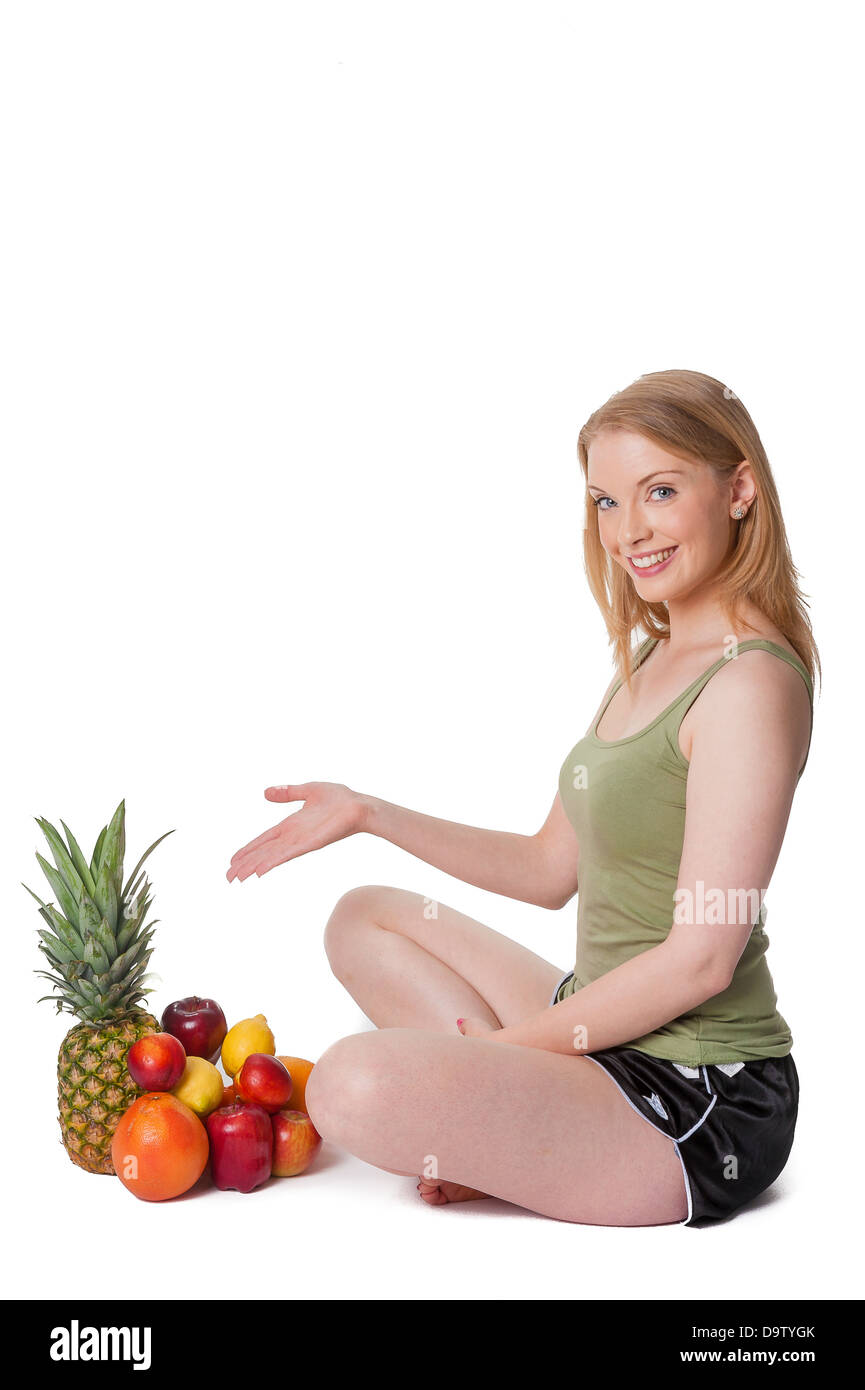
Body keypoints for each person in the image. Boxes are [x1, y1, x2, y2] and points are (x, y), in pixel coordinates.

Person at [226, 369, 819, 1227]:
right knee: (365, 915)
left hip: (697, 1095)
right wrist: (369, 814)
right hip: (601, 1024)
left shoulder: (749, 685)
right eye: (605, 502)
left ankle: (512, 1129)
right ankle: (517, 1129)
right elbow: (549, 869)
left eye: (659, 491)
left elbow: (701, 961)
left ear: (738, 489)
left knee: (352, 1083)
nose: (629, 531)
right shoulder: (651, 658)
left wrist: (508, 1053)